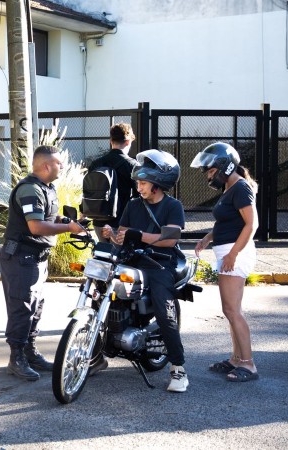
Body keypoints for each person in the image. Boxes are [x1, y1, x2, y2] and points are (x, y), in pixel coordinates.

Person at [102, 149, 189, 392]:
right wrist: (111, 235)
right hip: (133, 260)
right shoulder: (133, 205)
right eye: (138, 182)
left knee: (165, 312)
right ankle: (95, 354)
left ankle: (178, 370)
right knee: (102, 293)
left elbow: (170, 239)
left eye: (143, 183)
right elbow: (123, 236)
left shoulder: (173, 206)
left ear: (158, 184)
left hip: (161, 263)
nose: (138, 187)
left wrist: (138, 235)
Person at [0, 145, 84, 381]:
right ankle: (15, 359)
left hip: (36, 259)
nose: (62, 166)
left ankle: (29, 352)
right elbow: (35, 227)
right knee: (21, 308)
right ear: (46, 166)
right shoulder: (29, 190)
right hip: (21, 258)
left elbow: (48, 217)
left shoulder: (47, 188)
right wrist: (68, 228)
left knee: (35, 308)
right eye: (59, 163)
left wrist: (69, 220)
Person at [192, 142, 260, 382]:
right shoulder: (229, 188)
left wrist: (233, 255)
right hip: (226, 250)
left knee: (232, 310)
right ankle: (235, 359)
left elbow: (252, 225)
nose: (208, 175)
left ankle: (248, 364)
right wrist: (208, 238)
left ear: (224, 165)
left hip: (235, 252)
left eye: (210, 170)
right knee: (231, 310)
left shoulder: (240, 188)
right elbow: (226, 222)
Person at [87, 122, 138, 242]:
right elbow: (139, 193)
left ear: (111, 141)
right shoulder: (132, 165)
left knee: (104, 254)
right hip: (121, 221)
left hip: (99, 220)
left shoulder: (96, 164)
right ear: (128, 141)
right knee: (121, 255)